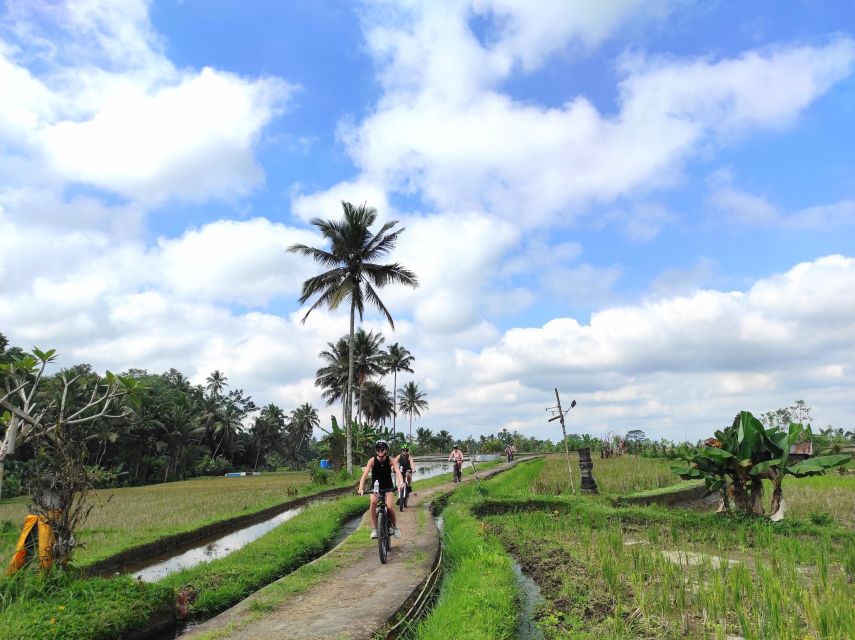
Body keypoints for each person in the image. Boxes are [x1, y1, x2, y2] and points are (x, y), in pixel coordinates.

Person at [358, 439, 404, 539]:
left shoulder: (391, 460)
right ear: (376, 450)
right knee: (373, 503)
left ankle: (395, 528)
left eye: (382, 449)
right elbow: (364, 475)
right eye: (378, 449)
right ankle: (375, 529)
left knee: (390, 506)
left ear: (386, 450)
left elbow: (397, 471)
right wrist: (361, 488)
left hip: (388, 486)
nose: (380, 451)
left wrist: (401, 483)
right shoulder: (372, 460)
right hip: (376, 487)